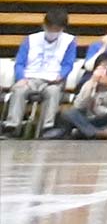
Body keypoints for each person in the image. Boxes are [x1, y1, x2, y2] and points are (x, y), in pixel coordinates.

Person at [8, 9, 80, 137]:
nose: (53, 32)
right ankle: (12, 126)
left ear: (63, 28)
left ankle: (47, 128)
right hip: (29, 77)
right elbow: (19, 62)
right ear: (44, 26)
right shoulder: (31, 39)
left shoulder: (69, 41)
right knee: (19, 91)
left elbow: (68, 64)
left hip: (53, 79)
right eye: (50, 28)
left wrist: (61, 75)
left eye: (57, 29)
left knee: (53, 92)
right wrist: (21, 77)